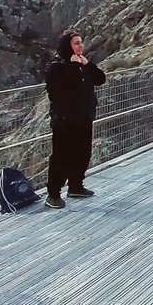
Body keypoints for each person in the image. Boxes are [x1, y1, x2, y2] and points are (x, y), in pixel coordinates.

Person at [44, 31, 107, 209]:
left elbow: (100, 79)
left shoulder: (81, 63)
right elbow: (62, 88)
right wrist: (73, 65)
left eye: (81, 42)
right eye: (76, 43)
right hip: (65, 119)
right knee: (61, 156)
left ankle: (76, 186)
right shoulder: (57, 66)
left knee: (82, 153)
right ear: (67, 45)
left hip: (83, 117)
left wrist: (87, 64)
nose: (80, 46)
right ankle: (53, 194)